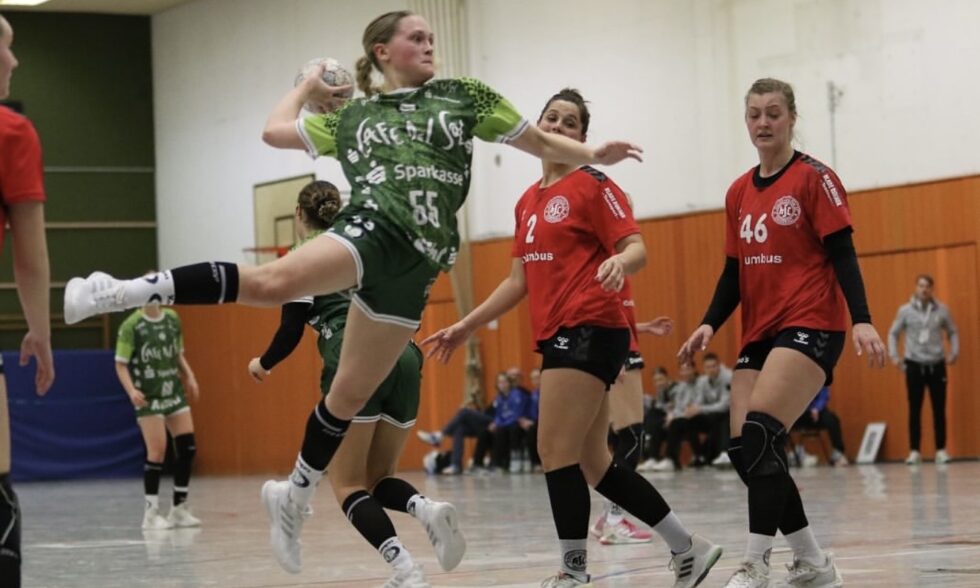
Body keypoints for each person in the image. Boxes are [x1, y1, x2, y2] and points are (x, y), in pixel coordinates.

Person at [61, 10, 640, 570]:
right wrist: (308, 85)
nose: (429, 44)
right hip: (374, 229)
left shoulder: (464, 95)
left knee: (347, 394)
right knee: (270, 282)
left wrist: (593, 154)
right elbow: (272, 131)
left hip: (419, 266)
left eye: (431, 36)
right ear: (382, 52)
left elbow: (539, 142)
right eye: (416, 37)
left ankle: (293, 496)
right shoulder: (356, 117)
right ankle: (119, 292)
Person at [424, 88, 721, 588]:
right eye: (551, 119)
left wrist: (619, 261)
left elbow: (637, 249)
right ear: (537, 126)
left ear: (582, 136)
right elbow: (517, 281)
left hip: (589, 326)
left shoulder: (593, 183)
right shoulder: (527, 202)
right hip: (561, 333)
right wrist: (465, 325)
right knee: (594, 464)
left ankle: (574, 572)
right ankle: (689, 548)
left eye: (570, 122)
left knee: (553, 451)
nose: (558, 127)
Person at [678, 77, 886, 587]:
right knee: (745, 450)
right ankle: (813, 561)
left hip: (811, 323)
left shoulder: (815, 178)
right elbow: (734, 270)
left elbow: (843, 253)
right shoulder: (737, 192)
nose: (763, 123)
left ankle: (755, 564)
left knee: (760, 432)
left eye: (773, 113)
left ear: (792, 118)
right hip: (760, 330)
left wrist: (861, 317)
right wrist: (708, 322)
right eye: (754, 114)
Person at [248, 180, 464, 584]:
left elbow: (291, 329)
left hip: (353, 356)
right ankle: (426, 509)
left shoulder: (305, 256)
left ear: (299, 214)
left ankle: (406, 569)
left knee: (346, 483)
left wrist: (263, 363)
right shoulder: (365, 246)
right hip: (402, 354)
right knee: (378, 478)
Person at [0, 14, 56, 586]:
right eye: (7, 46)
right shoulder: (12, 132)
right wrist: (40, 331)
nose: (14, 60)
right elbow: (30, 257)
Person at [115, 299, 202, 530]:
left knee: (187, 448)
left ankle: (179, 509)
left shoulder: (172, 319)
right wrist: (131, 390)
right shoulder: (132, 325)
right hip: (148, 396)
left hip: (172, 391)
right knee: (157, 451)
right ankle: (151, 514)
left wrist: (190, 375)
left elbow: (177, 354)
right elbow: (120, 364)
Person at [591, 312, 673, 545]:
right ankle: (614, 521)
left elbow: (614, 313)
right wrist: (615, 353)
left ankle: (607, 517)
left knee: (622, 439)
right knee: (632, 438)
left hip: (617, 349)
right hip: (620, 352)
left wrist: (643, 327)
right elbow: (598, 311)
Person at [887, 274, 959, 465]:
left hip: (936, 365)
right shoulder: (905, 311)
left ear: (932, 289)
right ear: (916, 287)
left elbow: (952, 331)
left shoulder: (942, 310)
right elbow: (893, 333)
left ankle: (941, 450)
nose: (924, 289)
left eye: (927, 286)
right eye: (920, 285)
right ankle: (914, 451)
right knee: (914, 409)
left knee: (939, 409)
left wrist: (954, 352)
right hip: (914, 365)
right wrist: (894, 356)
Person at [687, 352, 732, 467]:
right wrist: (693, 409)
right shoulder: (702, 381)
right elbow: (699, 401)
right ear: (704, 368)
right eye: (708, 367)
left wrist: (700, 409)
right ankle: (699, 455)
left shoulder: (728, 377)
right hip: (711, 414)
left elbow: (724, 405)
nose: (711, 370)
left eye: (713, 366)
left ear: (719, 366)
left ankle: (724, 452)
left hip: (728, 414)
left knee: (722, 416)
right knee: (690, 420)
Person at [790, 387, 848, 467]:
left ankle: (838, 453)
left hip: (817, 412)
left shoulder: (820, 380)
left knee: (832, 420)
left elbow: (823, 395)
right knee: (780, 422)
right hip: (798, 412)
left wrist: (817, 408)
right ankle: (787, 454)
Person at [638, 366, 676, 471]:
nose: (658, 383)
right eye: (656, 381)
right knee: (652, 416)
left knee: (653, 415)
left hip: (677, 417)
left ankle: (648, 440)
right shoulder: (660, 392)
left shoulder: (676, 388)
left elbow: (678, 406)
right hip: (664, 419)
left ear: (667, 378)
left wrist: (671, 413)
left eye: (660, 379)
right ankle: (652, 457)